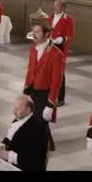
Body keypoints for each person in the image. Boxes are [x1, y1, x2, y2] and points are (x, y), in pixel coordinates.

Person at [23, 22, 64, 151]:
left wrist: (50, 105)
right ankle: (48, 144)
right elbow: (30, 70)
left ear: (46, 34)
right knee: (34, 119)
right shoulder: (33, 48)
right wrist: (26, 90)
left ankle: (45, 145)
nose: (34, 34)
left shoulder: (57, 54)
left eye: (37, 32)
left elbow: (56, 82)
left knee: (40, 121)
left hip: (45, 93)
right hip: (33, 90)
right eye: (33, 31)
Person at [0, 95, 50, 171]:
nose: (14, 111)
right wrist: (2, 145)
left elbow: (35, 160)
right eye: (14, 108)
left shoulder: (38, 129)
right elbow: (9, 137)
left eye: (17, 109)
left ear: (28, 110)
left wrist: (8, 155)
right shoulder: (19, 118)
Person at [48, 0, 74, 106]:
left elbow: (70, 36)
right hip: (49, 46)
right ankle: (50, 94)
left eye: (57, 6)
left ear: (63, 8)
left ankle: (60, 98)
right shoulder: (50, 17)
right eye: (54, 5)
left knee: (59, 73)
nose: (54, 8)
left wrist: (60, 39)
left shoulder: (68, 19)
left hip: (60, 47)